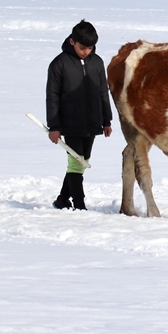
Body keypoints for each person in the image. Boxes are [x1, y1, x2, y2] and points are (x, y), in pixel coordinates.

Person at [47, 20, 113, 210]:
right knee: (76, 163)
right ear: (72, 42)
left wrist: (106, 120)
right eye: (82, 47)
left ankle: (62, 200)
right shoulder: (59, 64)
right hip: (70, 123)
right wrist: (54, 127)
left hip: (92, 122)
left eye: (90, 48)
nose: (86, 52)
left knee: (82, 162)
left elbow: (103, 92)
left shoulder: (97, 62)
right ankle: (79, 205)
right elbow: (52, 97)